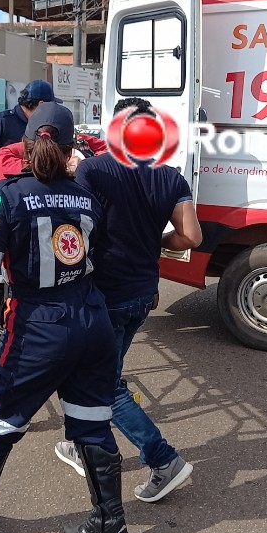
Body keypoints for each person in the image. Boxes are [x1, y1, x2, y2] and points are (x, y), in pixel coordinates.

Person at [0, 102, 132, 533]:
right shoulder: (87, 197)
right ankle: (111, 523)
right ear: (71, 149)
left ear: (24, 146)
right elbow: (99, 256)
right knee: (92, 424)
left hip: (37, 329)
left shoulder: (3, 197)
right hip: (92, 323)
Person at [54, 97, 203, 504]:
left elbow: (75, 232)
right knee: (97, 373)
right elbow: (191, 237)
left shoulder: (94, 170)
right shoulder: (171, 177)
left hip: (101, 295)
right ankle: (78, 443)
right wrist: (150, 243)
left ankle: (162, 458)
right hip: (141, 295)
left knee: (101, 384)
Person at [0, 79, 61, 355]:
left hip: (31, 203)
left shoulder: (44, 128)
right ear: (40, 105)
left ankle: (12, 322)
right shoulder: (0, 122)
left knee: (21, 264)